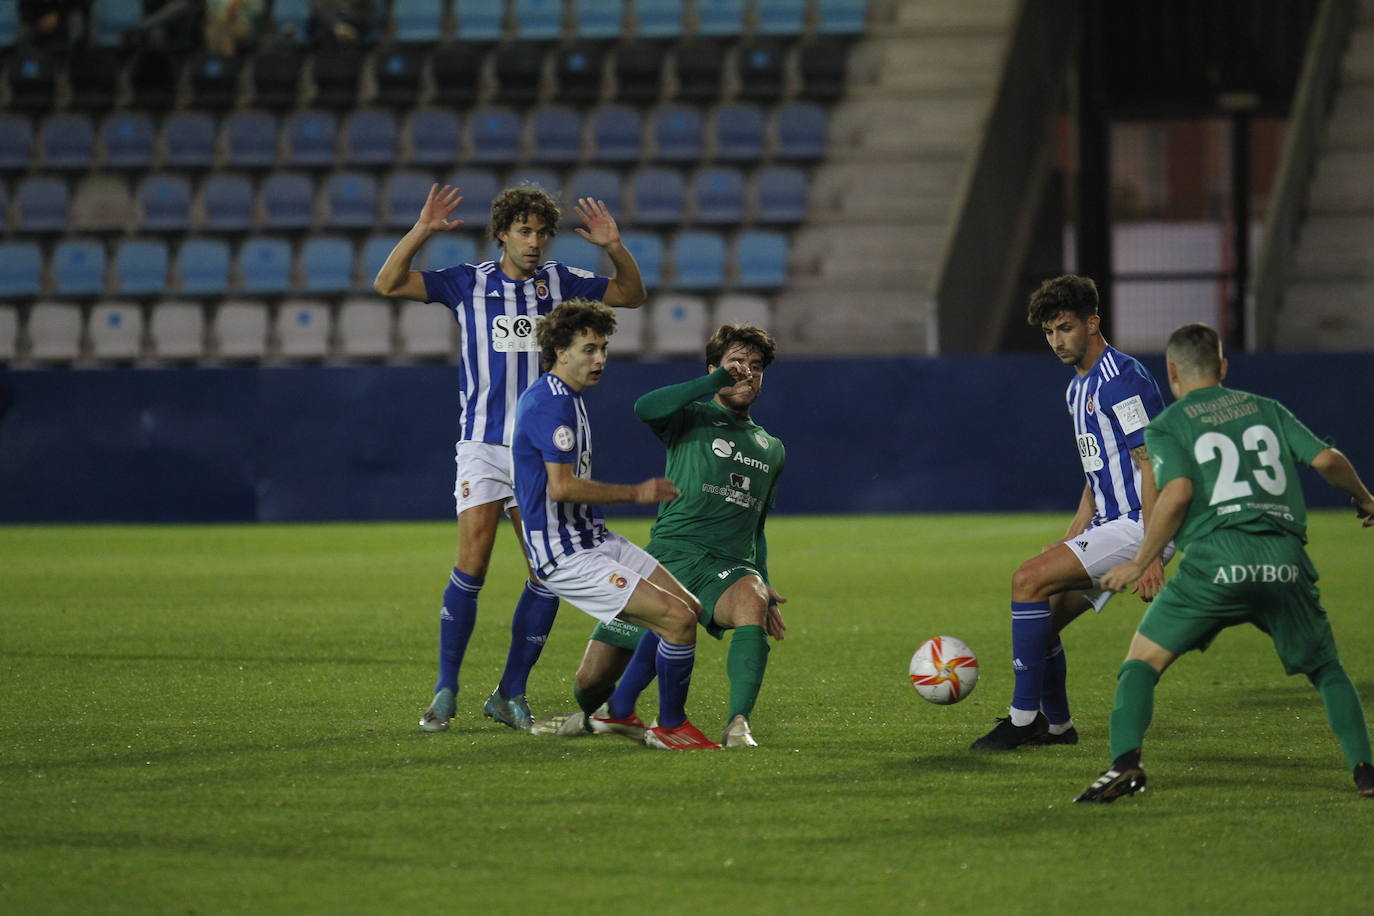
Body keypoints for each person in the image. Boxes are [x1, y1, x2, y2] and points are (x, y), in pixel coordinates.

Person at [373, 183, 645, 733]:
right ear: (502, 233)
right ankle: (445, 689)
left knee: (546, 572)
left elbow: (632, 295)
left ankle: (509, 692)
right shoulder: (468, 282)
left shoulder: (562, 283)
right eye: (525, 231)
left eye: (543, 232)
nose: (536, 242)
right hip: (481, 443)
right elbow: (388, 283)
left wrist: (614, 246)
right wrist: (423, 230)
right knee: (472, 562)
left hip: (539, 450)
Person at [1075, 322, 1374, 801]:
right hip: (1284, 563)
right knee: (1327, 670)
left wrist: (1141, 560)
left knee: (1141, 663)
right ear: (1224, 368)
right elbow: (1327, 461)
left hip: (1214, 566)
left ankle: (1125, 765)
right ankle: (1365, 772)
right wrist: (1364, 498)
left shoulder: (1169, 425)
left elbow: (1177, 494)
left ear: (1172, 373)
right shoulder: (1266, 410)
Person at [534, 324, 788, 748]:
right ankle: (613, 711)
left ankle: (738, 723)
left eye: (756, 367)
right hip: (668, 558)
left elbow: (758, 523)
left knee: (751, 600)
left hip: (726, 567)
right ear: (714, 370)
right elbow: (645, 407)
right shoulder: (691, 416)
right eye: (736, 364)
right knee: (590, 683)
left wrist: (762, 578)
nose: (747, 373)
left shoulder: (771, 447)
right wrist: (712, 383)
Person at [972, 274, 1171, 751]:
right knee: (1042, 619)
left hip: (1137, 523)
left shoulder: (1120, 381)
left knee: (1026, 581)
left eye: (1064, 328)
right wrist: (1072, 536)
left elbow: (1153, 465)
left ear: (1092, 323)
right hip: (1112, 522)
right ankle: (1058, 728)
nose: (1056, 341)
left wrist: (1152, 553)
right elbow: (1095, 473)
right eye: (1048, 332)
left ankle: (1024, 720)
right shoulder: (1076, 388)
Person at [512, 299, 720, 751]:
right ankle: (670, 726)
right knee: (678, 619)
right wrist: (636, 493)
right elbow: (562, 488)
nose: (600, 358)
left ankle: (619, 712)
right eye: (589, 349)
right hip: (566, 554)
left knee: (689, 609)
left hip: (594, 539)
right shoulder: (551, 406)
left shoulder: (569, 399)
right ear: (560, 351)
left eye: (603, 348)